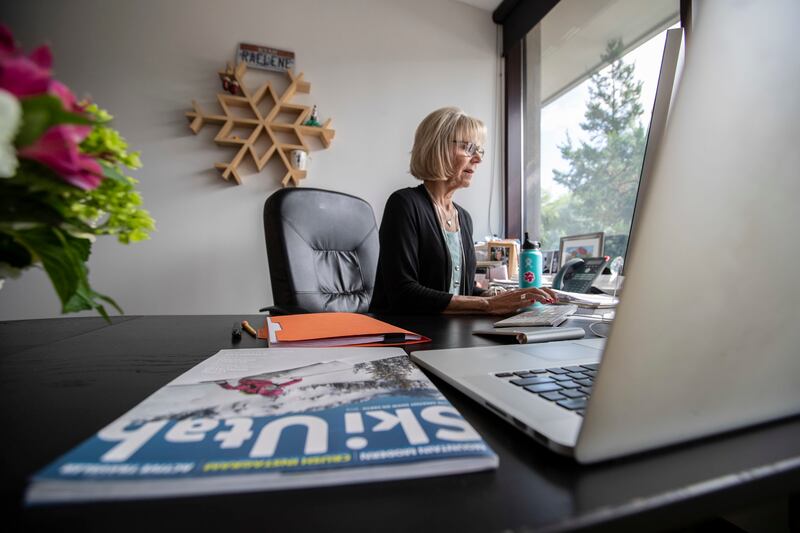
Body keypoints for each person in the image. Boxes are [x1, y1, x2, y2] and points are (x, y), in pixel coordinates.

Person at [369, 107, 556, 315]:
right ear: (437, 148)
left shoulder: (463, 218)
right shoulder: (404, 204)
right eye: (468, 148)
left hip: (448, 332)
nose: (478, 159)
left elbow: (459, 291)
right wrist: (487, 305)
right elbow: (404, 294)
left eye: (479, 150)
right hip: (406, 336)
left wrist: (496, 297)